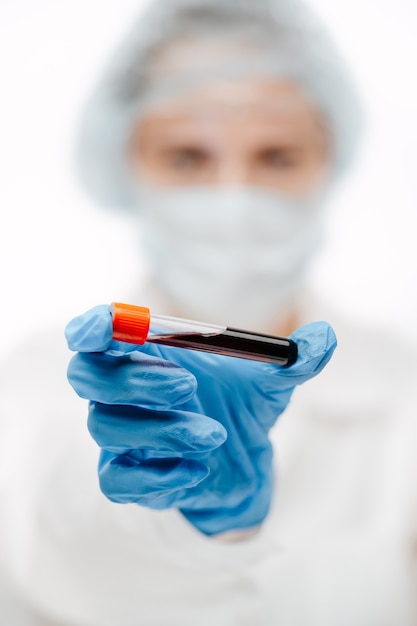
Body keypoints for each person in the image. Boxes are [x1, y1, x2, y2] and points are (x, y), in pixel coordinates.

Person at [1, 0, 417, 625]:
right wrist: (177, 531)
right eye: (187, 157)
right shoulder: (27, 384)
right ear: (123, 164)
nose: (233, 196)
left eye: (276, 156)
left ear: (329, 163)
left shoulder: (401, 384)